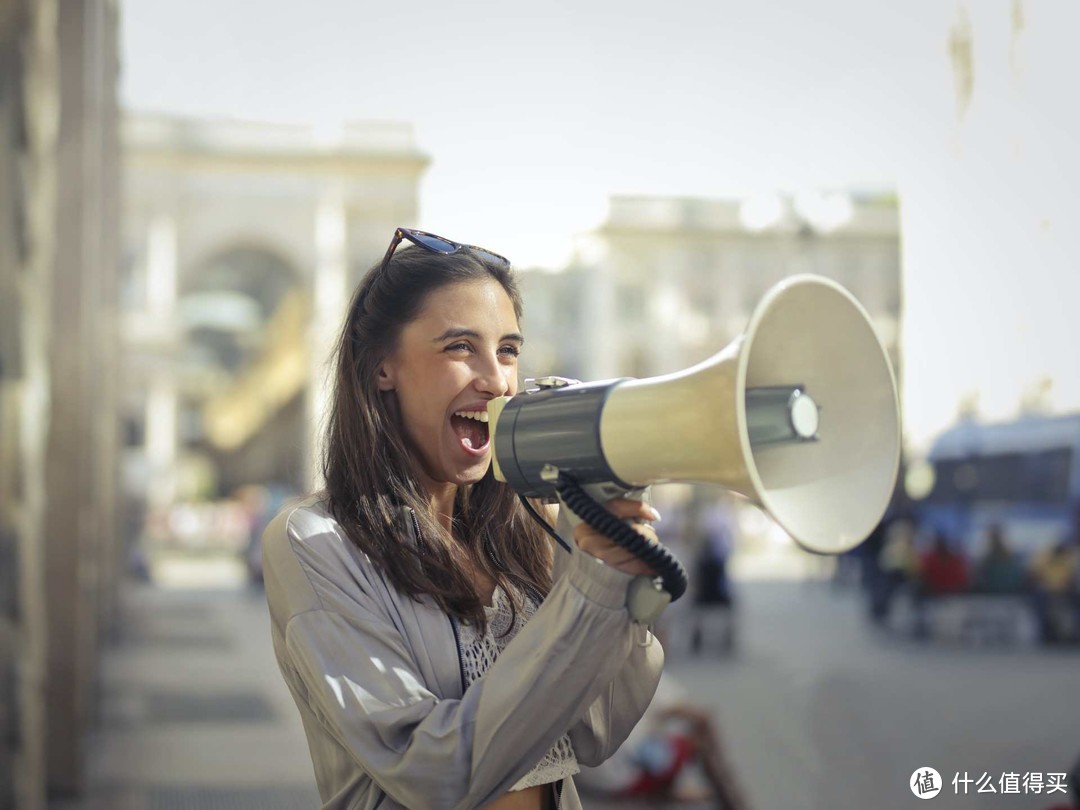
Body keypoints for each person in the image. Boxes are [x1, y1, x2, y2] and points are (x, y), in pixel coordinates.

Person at [261, 228, 665, 810]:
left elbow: (594, 732)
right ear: (382, 368)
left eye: (507, 350)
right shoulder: (315, 542)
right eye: (459, 348)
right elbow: (431, 772)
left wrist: (613, 581)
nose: (496, 380)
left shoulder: (529, 526)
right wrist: (586, 593)